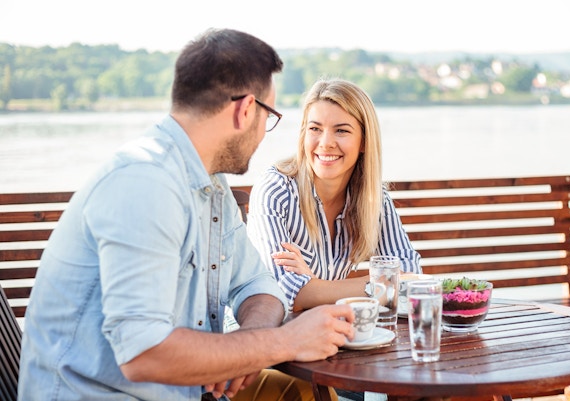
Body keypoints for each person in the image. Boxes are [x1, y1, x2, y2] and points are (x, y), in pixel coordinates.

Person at [17, 29, 354, 401]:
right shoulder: (146, 184)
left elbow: (257, 284)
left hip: (185, 390)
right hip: (102, 394)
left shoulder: (210, 184)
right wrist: (284, 342)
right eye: (268, 116)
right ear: (245, 110)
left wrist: (247, 349)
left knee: (299, 391)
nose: (264, 133)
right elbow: (143, 352)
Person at [246, 78, 422, 313]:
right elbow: (283, 292)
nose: (326, 143)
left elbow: (410, 277)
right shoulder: (276, 191)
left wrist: (315, 287)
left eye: (341, 131)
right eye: (315, 129)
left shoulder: (373, 199)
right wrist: (375, 286)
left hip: (327, 334)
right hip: (260, 334)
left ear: (364, 142)